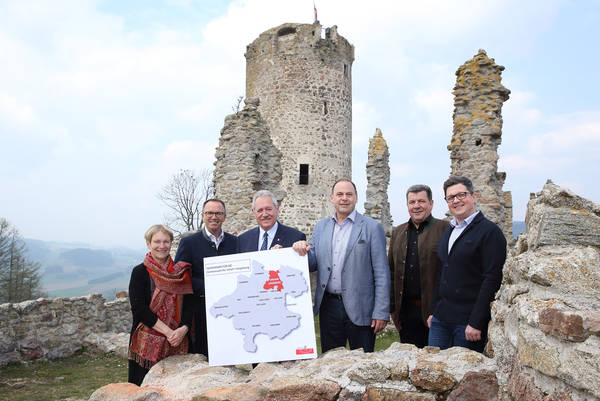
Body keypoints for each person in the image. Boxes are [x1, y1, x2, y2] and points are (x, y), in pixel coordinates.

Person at [293, 179, 390, 353]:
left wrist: (381, 312)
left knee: (363, 363)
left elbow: (381, 273)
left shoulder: (372, 227)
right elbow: (313, 262)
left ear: (356, 198)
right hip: (329, 307)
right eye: (339, 194)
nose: (344, 198)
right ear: (332, 198)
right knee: (330, 361)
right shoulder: (321, 227)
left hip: (361, 308)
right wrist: (300, 251)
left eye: (348, 194)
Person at [428, 176, 507, 353]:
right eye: (451, 197)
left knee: (463, 370)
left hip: (467, 324)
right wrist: (434, 311)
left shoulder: (490, 232)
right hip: (440, 320)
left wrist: (476, 322)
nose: (456, 200)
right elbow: (441, 274)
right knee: (432, 367)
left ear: (474, 196)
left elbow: (492, 279)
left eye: (461, 195)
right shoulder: (449, 231)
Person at [128, 224, 193, 386]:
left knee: (177, 388)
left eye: (166, 242)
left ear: (171, 243)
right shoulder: (139, 272)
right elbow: (139, 309)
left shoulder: (181, 273)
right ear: (148, 244)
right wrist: (169, 333)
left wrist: (183, 329)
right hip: (146, 345)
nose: (162, 246)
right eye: (157, 242)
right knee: (145, 389)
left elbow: (189, 305)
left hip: (179, 340)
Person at [174, 199, 238, 357]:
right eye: (209, 213)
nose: (214, 217)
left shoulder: (235, 242)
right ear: (202, 216)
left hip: (229, 310)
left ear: (224, 217)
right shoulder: (188, 243)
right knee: (202, 357)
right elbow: (180, 276)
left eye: (218, 213)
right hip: (199, 312)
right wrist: (209, 286)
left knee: (228, 355)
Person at [388, 184, 448, 348]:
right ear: (407, 205)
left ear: (431, 203)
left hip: (436, 313)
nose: (416, 206)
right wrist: (393, 309)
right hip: (406, 314)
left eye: (421, 201)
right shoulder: (398, 232)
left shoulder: (445, 229)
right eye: (412, 202)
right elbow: (391, 272)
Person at [238, 190, 306, 252]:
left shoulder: (296, 237)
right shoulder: (243, 240)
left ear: (277, 209)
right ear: (254, 213)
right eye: (260, 210)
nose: (265, 214)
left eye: (268, 209)